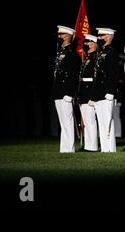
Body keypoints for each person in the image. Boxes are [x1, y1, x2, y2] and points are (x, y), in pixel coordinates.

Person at [53, 25, 80, 153]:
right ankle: (64, 148)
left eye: (62, 34)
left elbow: (73, 76)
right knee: (62, 121)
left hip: (66, 91)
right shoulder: (60, 52)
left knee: (68, 121)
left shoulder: (71, 54)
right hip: (58, 91)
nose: (59, 36)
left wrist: (70, 93)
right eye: (59, 34)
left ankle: (69, 148)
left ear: (68, 36)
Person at [94, 27, 120, 152]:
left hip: (106, 92)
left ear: (109, 37)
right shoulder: (100, 52)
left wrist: (110, 91)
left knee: (108, 121)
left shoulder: (112, 52)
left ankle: (110, 148)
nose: (98, 38)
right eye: (98, 36)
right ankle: (105, 148)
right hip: (99, 91)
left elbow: (113, 74)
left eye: (101, 36)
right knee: (101, 121)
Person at [77, 34, 99, 151]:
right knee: (86, 120)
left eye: (90, 44)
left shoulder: (96, 58)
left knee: (90, 120)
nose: (88, 46)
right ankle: (88, 145)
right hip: (83, 91)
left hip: (90, 90)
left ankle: (93, 146)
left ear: (95, 44)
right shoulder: (87, 58)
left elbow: (96, 78)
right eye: (87, 44)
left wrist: (93, 95)